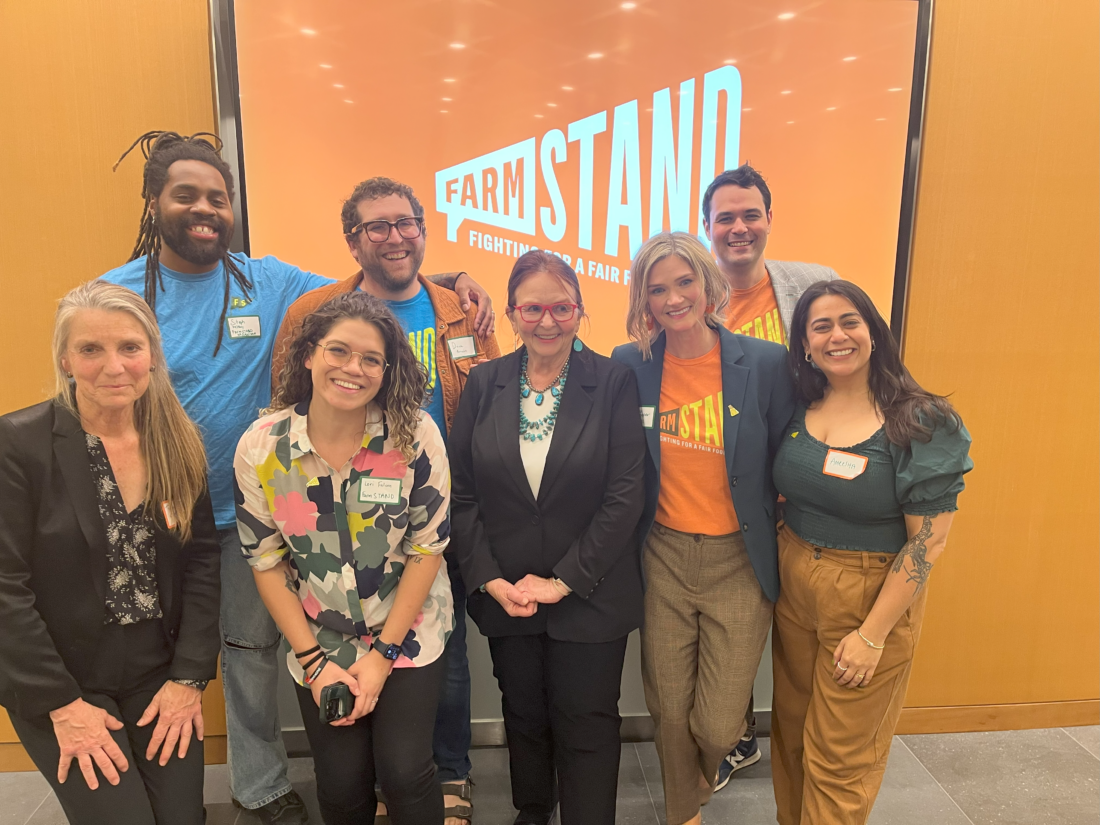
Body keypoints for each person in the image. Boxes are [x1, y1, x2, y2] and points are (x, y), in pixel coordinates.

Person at [103, 132, 493, 824]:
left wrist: (456, 278)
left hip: (261, 523)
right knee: (184, 662)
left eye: (217, 198)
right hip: (165, 515)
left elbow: (374, 288)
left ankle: (361, 780)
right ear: (153, 201)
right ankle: (217, 790)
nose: (204, 209)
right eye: (186, 195)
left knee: (256, 652)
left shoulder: (267, 279)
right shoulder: (120, 297)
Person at [272, 176, 501, 824]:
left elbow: (490, 401)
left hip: (437, 505)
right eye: (378, 226)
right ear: (353, 238)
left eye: (407, 223)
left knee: (440, 649)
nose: (396, 236)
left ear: (424, 230)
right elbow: (292, 397)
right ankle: (382, 781)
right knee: (357, 642)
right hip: (343, 516)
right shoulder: (316, 309)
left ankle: (447, 772)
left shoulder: (459, 306)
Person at [0, 280, 220, 825]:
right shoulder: (18, 444)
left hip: (157, 674)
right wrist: (63, 706)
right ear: (66, 360)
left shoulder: (178, 441)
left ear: (151, 356)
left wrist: (189, 680)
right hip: (63, 680)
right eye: (90, 350)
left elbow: (202, 564)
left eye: (129, 347)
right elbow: (5, 584)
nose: (113, 366)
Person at [234, 291, 453, 825]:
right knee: (340, 782)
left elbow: (428, 550)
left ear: (387, 369)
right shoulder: (261, 448)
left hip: (408, 630)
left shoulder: (414, 435)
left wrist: (383, 655)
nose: (353, 368)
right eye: (338, 351)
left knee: (404, 771)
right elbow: (265, 564)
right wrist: (314, 663)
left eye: (371, 359)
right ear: (308, 354)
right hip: (320, 639)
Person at [450, 250, 646, 825]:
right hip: (508, 592)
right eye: (532, 307)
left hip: (589, 592)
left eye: (561, 307)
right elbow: (463, 492)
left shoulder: (613, 380)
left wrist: (564, 580)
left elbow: (624, 495)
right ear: (511, 312)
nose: (547, 320)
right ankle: (532, 812)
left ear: (580, 311)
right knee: (525, 716)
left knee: (586, 722)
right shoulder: (485, 382)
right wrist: (487, 576)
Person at [770, 280, 972, 824]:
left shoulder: (921, 420)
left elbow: (929, 539)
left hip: (867, 596)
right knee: (791, 739)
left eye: (849, 322)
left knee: (840, 761)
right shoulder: (800, 406)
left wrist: (872, 634)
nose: (837, 336)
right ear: (805, 345)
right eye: (821, 326)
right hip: (795, 585)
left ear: (874, 333)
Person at [611, 232, 795, 825]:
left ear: (708, 284)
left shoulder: (763, 362)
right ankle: (682, 814)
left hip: (739, 560)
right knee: (668, 709)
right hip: (662, 554)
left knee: (716, 721)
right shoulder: (629, 364)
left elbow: (789, 456)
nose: (673, 298)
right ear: (643, 299)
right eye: (657, 288)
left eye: (684, 282)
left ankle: (697, 778)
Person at [701, 163, 838, 784]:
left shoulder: (811, 285)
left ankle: (790, 742)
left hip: (800, 486)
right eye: (725, 216)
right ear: (707, 227)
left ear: (769, 220)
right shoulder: (688, 297)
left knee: (785, 622)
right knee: (733, 618)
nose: (739, 227)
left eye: (750, 214)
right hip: (716, 490)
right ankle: (734, 734)